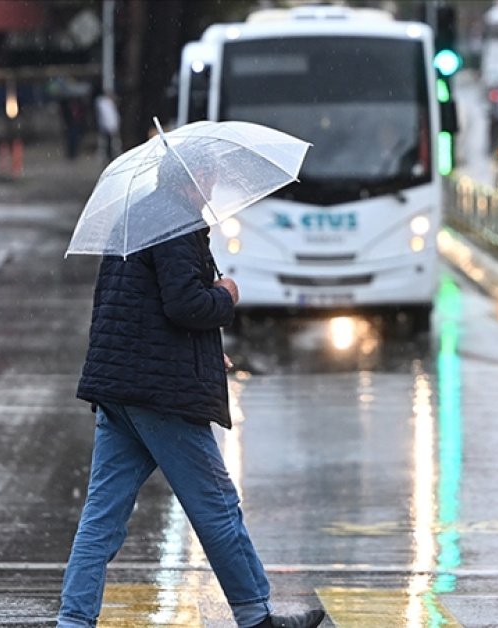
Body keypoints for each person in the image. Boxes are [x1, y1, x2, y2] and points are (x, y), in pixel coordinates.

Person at [57, 145, 326, 628]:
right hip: (162, 397)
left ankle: (74, 621)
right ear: (194, 174)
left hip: (120, 389)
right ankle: (256, 616)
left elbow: (133, 310)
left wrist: (200, 352)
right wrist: (225, 296)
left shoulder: (134, 218)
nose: (215, 185)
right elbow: (185, 305)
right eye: (212, 175)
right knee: (217, 507)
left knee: (102, 517)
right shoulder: (176, 223)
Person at [95, 91, 121, 160]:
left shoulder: (110, 104)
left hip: (110, 127)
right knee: (106, 144)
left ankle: (111, 156)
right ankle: (107, 157)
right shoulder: (103, 103)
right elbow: (107, 117)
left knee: (112, 144)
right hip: (107, 127)